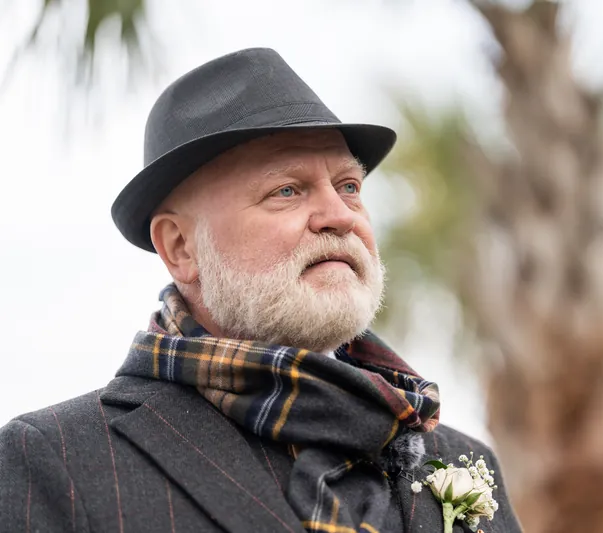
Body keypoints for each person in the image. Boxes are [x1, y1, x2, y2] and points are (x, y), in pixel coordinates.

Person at [0, 48, 521, 533]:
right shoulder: (55, 460)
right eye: (287, 190)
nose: (340, 216)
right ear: (180, 247)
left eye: (349, 187)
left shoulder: (462, 461)